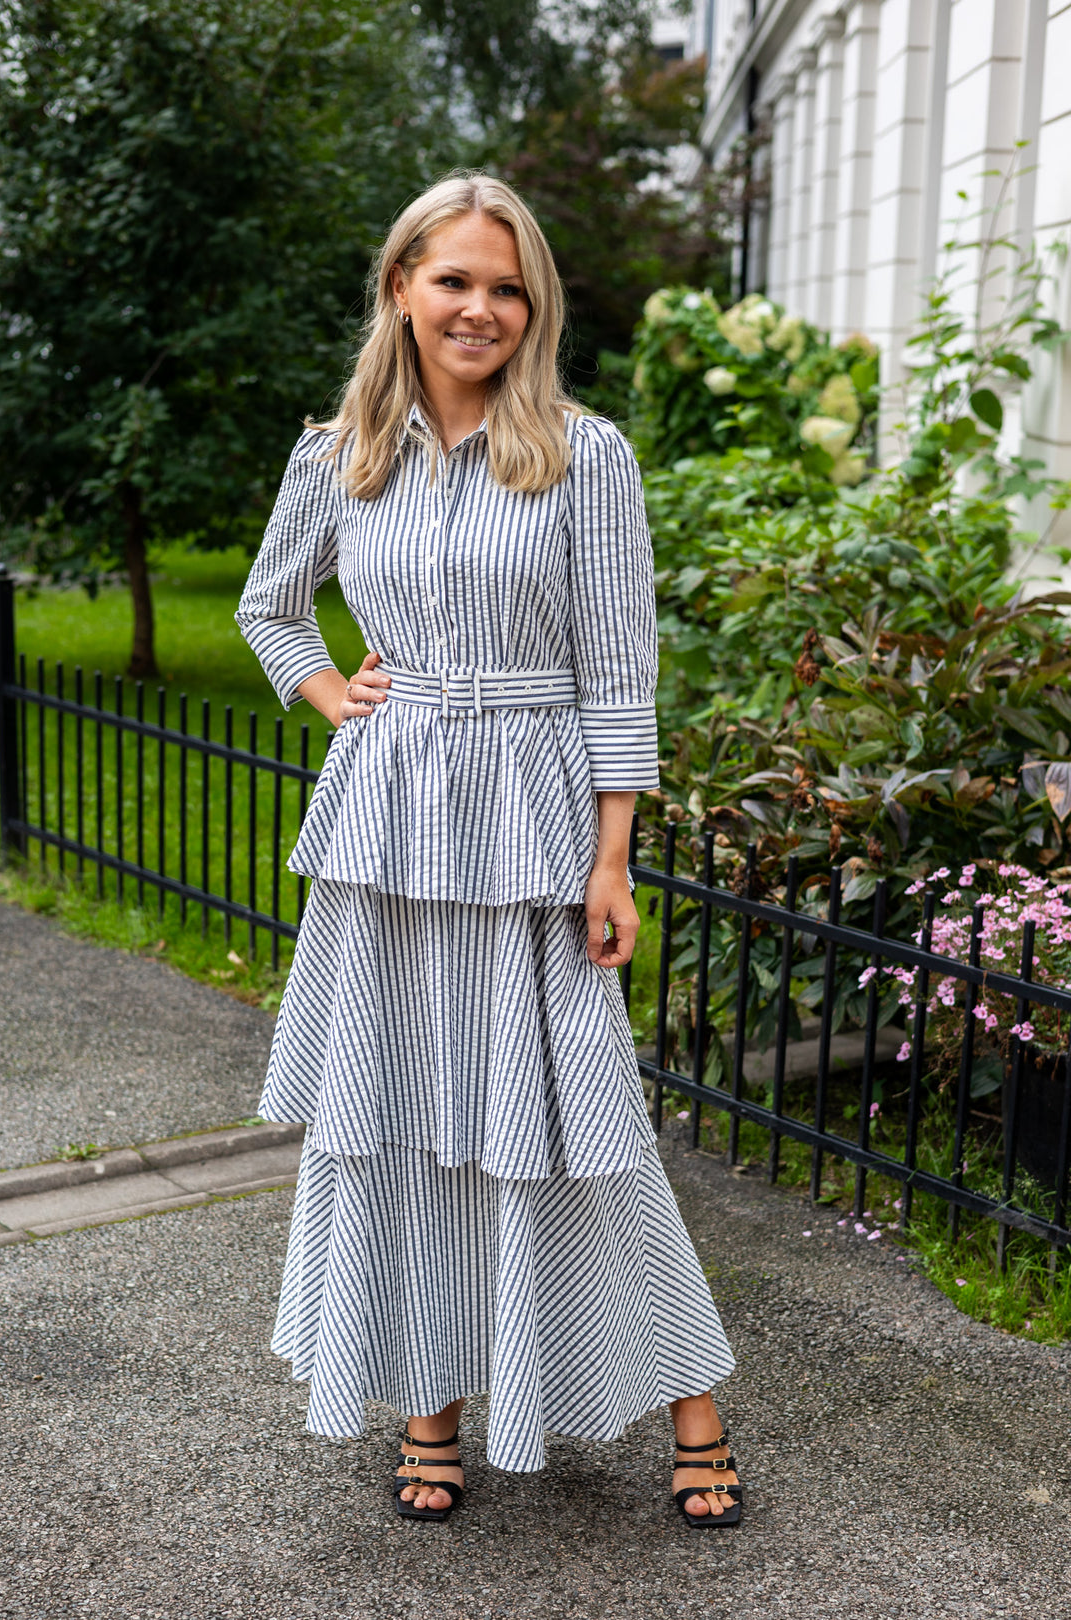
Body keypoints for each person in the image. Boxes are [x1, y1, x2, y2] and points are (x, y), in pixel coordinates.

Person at [235, 172, 742, 1529]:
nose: (480, 307)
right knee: (404, 1115)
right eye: (454, 278)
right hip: (390, 823)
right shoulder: (333, 457)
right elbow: (270, 608)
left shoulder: (588, 455)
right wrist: (330, 690)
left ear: (536, 309)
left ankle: (693, 1399)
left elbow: (619, 671)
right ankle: (431, 1402)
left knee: (579, 1113)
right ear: (401, 286)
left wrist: (613, 858)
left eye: (507, 287)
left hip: (534, 820)